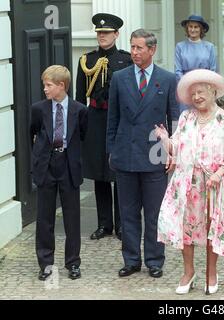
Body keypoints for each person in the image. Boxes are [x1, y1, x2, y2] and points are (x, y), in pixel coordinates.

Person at [154, 69, 224, 294]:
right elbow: (176, 147)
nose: (196, 97)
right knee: (186, 228)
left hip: (215, 183)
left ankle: (211, 272)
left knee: (211, 228)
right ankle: (188, 273)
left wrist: (217, 174)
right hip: (188, 183)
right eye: (193, 93)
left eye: (201, 92)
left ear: (212, 91)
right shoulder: (187, 118)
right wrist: (164, 139)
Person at [107, 29, 179, 279]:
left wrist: (173, 153)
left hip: (155, 155)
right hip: (125, 154)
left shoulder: (168, 79)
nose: (134, 52)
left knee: (154, 212)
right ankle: (131, 259)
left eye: (139, 48)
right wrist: (111, 150)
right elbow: (112, 118)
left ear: (152, 49)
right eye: (132, 47)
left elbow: (174, 119)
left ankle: (155, 260)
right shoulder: (119, 78)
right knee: (127, 212)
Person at [76, 13, 133, 241]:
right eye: (99, 33)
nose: (102, 36)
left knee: (118, 173)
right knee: (99, 173)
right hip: (96, 119)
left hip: (117, 120)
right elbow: (80, 98)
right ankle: (104, 224)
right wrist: (80, 127)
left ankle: (121, 224)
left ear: (116, 34)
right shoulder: (86, 60)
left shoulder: (126, 60)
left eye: (106, 33)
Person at [30, 65, 88, 281]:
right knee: (44, 217)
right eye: (44, 85)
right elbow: (33, 132)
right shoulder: (39, 109)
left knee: (72, 217)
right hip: (46, 164)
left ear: (61, 86)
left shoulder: (79, 109)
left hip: (69, 165)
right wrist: (40, 158)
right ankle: (45, 262)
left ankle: (73, 262)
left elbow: (82, 135)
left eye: (48, 85)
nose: (45, 89)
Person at [175, 15, 217, 112]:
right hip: (186, 88)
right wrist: (188, 85)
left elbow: (212, 70)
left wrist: (204, 87)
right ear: (187, 29)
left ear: (201, 29)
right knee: (188, 119)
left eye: (196, 27)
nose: (193, 30)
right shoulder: (180, 47)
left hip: (204, 87)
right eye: (190, 27)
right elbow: (178, 71)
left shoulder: (209, 47)